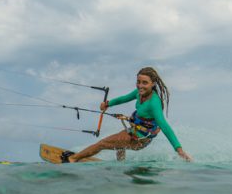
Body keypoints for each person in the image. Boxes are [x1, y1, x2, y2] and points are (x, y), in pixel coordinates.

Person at [63, 67, 192, 162]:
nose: (140, 86)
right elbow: (124, 98)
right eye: (138, 81)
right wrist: (108, 103)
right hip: (135, 131)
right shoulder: (139, 92)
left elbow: (164, 125)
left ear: (153, 84)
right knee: (119, 145)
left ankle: (72, 159)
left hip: (141, 139)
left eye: (145, 83)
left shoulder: (154, 103)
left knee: (102, 144)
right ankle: (121, 167)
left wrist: (178, 149)